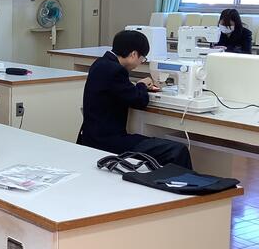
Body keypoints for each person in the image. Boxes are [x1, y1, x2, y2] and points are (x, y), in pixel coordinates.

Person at [79, 30, 193, 169]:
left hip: (91, 136)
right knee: (178, 150)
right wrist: (141, 85)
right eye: (142, 59)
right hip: (108, 141)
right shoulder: (115, 70)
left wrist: (137, 87)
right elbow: (139, 101)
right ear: (133, 54)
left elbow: (119, 91)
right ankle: (182, 182)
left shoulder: (100, 63)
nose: (140, 62)